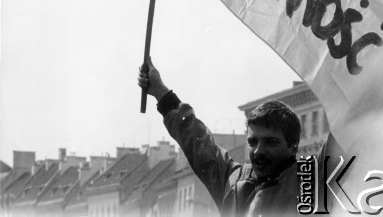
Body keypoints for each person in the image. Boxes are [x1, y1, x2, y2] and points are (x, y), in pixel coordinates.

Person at [138, 57, 338, 216]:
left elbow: (348, 131)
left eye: (270, 142)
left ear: (293, 145)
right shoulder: (236, 180)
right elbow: (196, 141)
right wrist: (161, 92)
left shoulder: (312, 179)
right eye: (253, 142)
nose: (259, 151)